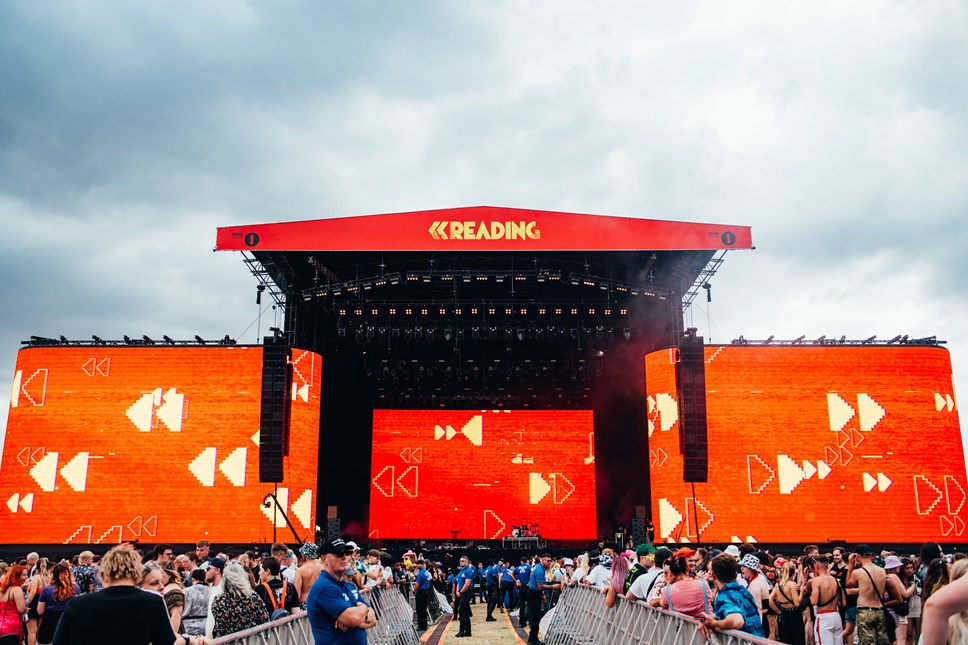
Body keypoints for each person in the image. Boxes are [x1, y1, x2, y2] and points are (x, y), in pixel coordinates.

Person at [51, 543, 206, 645]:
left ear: (104, 574)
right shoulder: (152, 602)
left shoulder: (78, 604)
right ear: (137, 573)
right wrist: (188, 640)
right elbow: (165, 642)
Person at [306, 537, 377, 645]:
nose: (344, 557)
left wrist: (354, 619)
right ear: (325, 559)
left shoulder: (348, 586)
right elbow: (352, 618)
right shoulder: (324, 587)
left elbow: (372, 619)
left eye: (346, 552)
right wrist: (362, 609)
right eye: (338, 553)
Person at [699, 553, 765, 638]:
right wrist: (711, 618)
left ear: (714, 575)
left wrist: (713, 623)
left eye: (709, 570)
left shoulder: (724, 596)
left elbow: (737, 621)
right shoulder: (742, 591)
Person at [210, 562, 268, 638]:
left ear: (225, 579)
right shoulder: (253, 597)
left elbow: (218, 627)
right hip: (252, 641)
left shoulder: (219, 600)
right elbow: (265, 620)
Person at [848, 545, 891, 645]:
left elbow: (848, 584)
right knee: (882, 642)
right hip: (880, 610)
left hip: (865, 610)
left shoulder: (858, 572)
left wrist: (851, 565)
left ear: (858, 556)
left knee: (867, 642)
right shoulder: (882, 571)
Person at [37, 563, 80, 645]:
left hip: (49, 623)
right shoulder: (76, 588)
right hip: (69, 622)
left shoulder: (47, 590)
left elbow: (40, 611)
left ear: (53, 575)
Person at [809, 555, 843, 645]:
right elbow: (843, 602)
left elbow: (814, 601)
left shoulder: (817, 581)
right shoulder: (836, 581)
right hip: (836, 615)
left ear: (817, 566)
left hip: (824, 617)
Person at [770, 560, 805, 645]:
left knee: (785, 640)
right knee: (797, 639)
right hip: (794, 615)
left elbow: (770, 600)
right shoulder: (792, 584)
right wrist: (802, 592)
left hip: (783, 614)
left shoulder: (778, 585)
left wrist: (779, 612)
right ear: (793, 573)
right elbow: (797, 603)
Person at [26, 557, 51, 645]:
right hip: (44, 603)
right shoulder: (49, 578)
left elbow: (32, 592)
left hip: (34, 603)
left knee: (32, 631)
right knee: (40, 629)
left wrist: (26, 603)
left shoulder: (35, 577)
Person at [0, 565, 27, 641]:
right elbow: (21, 609)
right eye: (24, 575)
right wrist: (25, 609)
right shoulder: (17, 589)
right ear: (17, 576)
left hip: (1, 623)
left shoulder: (3, 590)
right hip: (13, 624)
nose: (26, 577)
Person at [294, 542, 323, 609]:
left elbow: (296, 593)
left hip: (305, 604)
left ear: (305, 554)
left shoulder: (300, 570)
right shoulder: (323, 568)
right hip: (320, 604)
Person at [181, 570, 210, 636]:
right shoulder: (210, 590)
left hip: (188, 626)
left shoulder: (186, 591)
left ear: (192, 579)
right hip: (205, 625)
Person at [455, 555, 475, 638]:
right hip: (461, 592)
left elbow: (467, 584)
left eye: (463, 561)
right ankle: (468, 631)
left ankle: (462, 630)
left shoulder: (468, 571)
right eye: (460, 561)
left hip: (466, 592)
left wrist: (460, 592)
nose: (461, 562)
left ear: (467, 562)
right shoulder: (461, 571)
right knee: (465, 612)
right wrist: (457, 591)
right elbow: (459, 582)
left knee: (461, 611)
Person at [414, 560, 432, 631]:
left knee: (419, 609)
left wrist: (414, 590)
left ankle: (421, 626)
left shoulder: (420, 574)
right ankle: (424, 624)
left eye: (417, 564)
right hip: (426, 591)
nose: (416, 566)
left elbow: (417, 584)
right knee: (424, 609)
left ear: (421, 564)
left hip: (421, 592)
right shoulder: (426, 572)